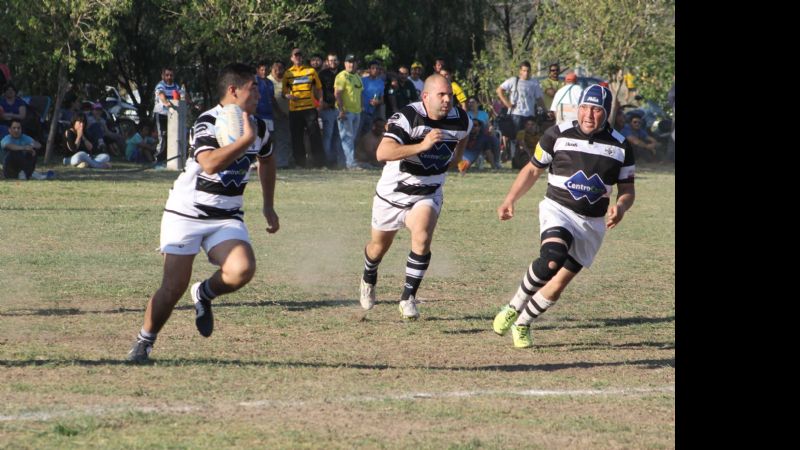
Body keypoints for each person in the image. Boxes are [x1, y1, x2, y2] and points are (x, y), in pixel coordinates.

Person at [126, 63, 279, 363]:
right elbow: (209, 164)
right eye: (254, 87)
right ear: (234, 90)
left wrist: (268, 204)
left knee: (242, 269)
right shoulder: (207, 122)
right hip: (187, 213)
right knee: (172, 288)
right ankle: (144, 341)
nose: (260, 92)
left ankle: (205, 293)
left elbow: (268, 160)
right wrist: (243, 143)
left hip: (226, 216)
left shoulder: (258, 126)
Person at [490, 84, 635, 348]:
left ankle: (522, 323)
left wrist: (622, 207)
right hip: (558, 210)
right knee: (552, 260)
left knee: (556, 286)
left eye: (596, 109)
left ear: (606, 113)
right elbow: (532, 170)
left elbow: (627, 190)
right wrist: (510, 199)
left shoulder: (621, 146)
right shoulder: (557, 134)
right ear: (578, 108)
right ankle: (513, 306)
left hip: (591, 224)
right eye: (585, 108)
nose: (589, 115)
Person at [358, 74, 471, 319]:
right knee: (377, 248)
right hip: (393, 193)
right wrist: (422, 145)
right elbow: (382, 153)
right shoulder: (409, 117)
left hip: (428, 192)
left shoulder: (460, 119)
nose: (447, 100)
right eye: (441, 95)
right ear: (425, 96)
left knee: (422, 237)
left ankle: (408, 298)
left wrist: (457, 158)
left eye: (449, 95)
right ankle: (369, 276)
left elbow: (464, 134)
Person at [283, 47, 325, 168]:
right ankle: (300, 164)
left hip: (310, 109)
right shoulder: (288, 73)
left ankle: (319, 164)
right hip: (295, 110)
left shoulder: (311, 71)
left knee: (315, 136)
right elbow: (284, 93)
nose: (298, 58)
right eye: (295, 56)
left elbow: (318, 88)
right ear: (291, 58)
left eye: (300, 55)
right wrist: (288, 96)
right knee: (297, 137)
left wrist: (321, 101)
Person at [496, 61, 545, 155]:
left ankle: (525, 156)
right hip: (516, 114)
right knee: (517, 137)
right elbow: (499, 90)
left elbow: (539, 98)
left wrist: (546, 111)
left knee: (529, 137)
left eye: (528, 71)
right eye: (524, 70)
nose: (526, 73)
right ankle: (513, 155)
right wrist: (507, 104)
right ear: (520, 71)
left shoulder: (534, 83)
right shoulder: (514, 80)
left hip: (530, 114)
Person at [334, 54, 364, 169]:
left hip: (356, 112)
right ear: (345, 63)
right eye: (349, 62)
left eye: (353, 62)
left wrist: (361, 107)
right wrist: (341, 110)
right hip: (346, 112)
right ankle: (350, 164)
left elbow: (360, 92)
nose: (351, 64)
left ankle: (343, 163)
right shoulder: (342, 76)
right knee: (347, 137)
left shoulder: (357, 76)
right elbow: (337, 93)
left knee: (350, 138)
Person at [152, 67, 185, 165]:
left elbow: (182, 95)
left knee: (173, 137)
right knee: (162, 137)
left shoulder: (176, 86)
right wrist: (166, 102)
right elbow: (161, 94)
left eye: (171, 75)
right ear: (163, 76)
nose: (169, 77)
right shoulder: (160, 85)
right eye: (167, 75)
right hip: (161, 114)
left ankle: (169, 161)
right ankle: (158, 160)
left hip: (172, 117)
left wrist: (190, 103)